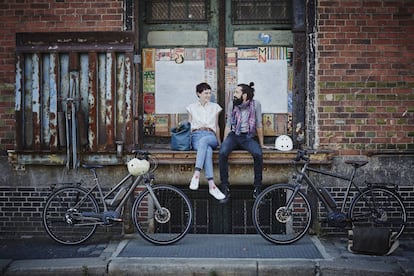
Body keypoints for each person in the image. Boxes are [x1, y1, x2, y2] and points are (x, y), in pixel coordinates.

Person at [219, 82, 264, 203]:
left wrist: (262, 144)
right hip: (234, 135)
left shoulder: (256, 105)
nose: (234, 94)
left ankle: (257, 189)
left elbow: (259, 124)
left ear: (244, 95)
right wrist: (224, 142)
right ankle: (225, 188)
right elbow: (228, 124)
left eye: (237, 92)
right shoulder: (232, 104)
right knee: (222, 153)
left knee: (258, 154)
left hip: (248, 136)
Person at [186, 82, 226, 200]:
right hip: (196, 135)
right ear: (199, 94)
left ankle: (196, 174)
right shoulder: (191, 107)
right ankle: (212, 185)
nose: (208, 95)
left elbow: (217, 126)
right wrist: (188, 142)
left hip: (210, 135)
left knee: (205, 143)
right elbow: (189, 126)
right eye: (205, 93)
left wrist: (219, 143)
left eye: (209, 93)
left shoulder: (215, 107)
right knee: (207, 150)